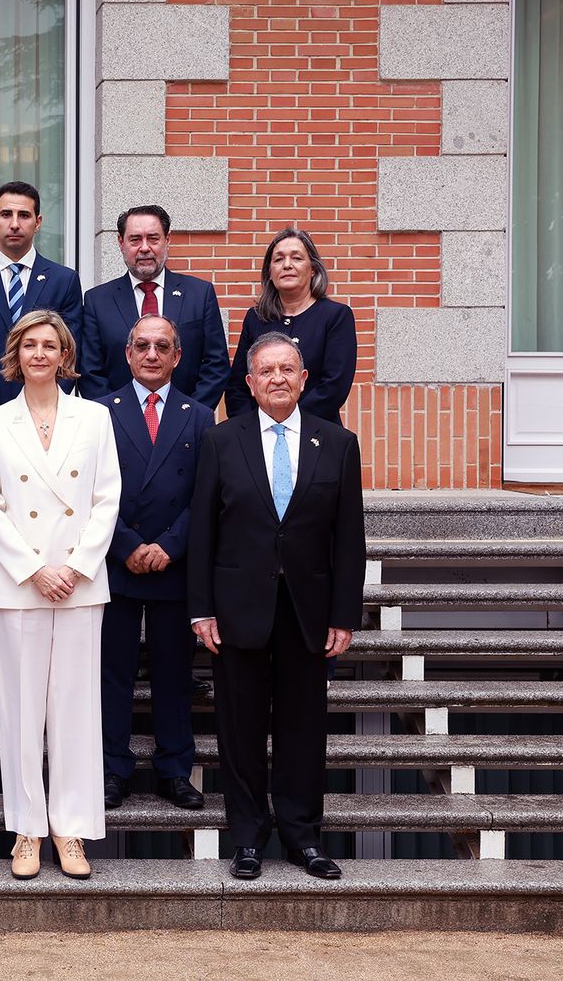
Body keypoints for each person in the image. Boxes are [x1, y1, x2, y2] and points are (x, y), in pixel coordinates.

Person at [188, 331, 366, 881]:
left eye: (288, 369)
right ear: (249, 382)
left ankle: (302, 836)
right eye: (265, 371)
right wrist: (201, 610)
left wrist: (344, 614)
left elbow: (348, 539)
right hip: (238, 606)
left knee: (303, 727)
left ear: (304, 378)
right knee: (239, 728)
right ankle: (246, 837)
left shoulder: (337, 443)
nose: (277, 379)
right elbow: (202, 533)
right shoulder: (222, 440)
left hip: (308, 610)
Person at [0, 310, 120, 880]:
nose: (40, 354)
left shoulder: (95, 418)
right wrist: (35, 568)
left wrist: (77, 565)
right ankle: (28, 830)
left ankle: (71, 830)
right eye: (30, 344)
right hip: (19, 584)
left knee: (76, 711)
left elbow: (108, 497)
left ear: (65, 354)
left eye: (50, 345)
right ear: (16, 353)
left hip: (81, 584)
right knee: (21, 711)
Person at [0, 180, 83, 696]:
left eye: (24, 215)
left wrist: (31, 412)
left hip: (47, 427)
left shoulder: (63, 281)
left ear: (38, 222)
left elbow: (66, 349)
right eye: (6, 214)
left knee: (42, 531)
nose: (15, 223)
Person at [96, 315, 214, 812]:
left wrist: (169, 545)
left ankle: (173, 769)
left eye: (161, 346)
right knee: (112, 674)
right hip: (117, 562)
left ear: (176, 356)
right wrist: (126, 545)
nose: (151, 354)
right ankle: (111, 769)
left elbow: (206, 494)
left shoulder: (200, 415)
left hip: (174, 564)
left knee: (173, 672)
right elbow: (90, 492)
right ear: (127, 354)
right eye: (141, 345)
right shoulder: (99, 413)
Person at [79, 204, 229, 409]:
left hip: (187, 428)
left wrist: (189, 417)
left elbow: (216, 366)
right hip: (118, 428)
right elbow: (90, 373)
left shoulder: (199, 294)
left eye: (153, 238)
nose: (144, 248)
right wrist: (117, 418)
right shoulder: (97, 300)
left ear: (167, 240)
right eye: (135, 239)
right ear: (121, 243)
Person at [225, 226, 358, 426]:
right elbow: (238, 387)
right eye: (278, 259)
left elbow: (333, 387)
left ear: (312, 269)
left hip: (316, 433)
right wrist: (252, 429)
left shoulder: (336, 316)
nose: (287, 265)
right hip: (259, 437)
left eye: (296, 258)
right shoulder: (256, 318)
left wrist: (288, 425)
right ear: (269, 272)